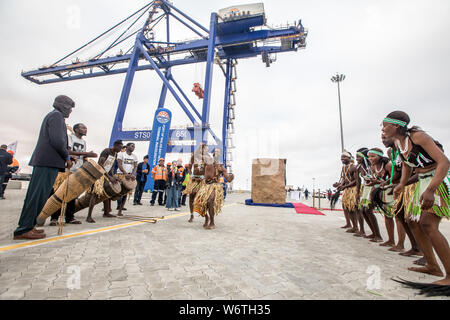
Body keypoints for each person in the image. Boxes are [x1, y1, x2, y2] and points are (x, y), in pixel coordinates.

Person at [382, 111, 450, 289]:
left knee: (428, 223)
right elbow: (406, 163)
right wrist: (402, 184)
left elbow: (444, 162)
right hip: (422, 180)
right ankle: (432, 266)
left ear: (396, 125)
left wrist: (431, 190)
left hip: (439, 179)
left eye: (384, 125)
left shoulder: (418, 136)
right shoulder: (398, 142)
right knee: (413, 222)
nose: (382, 129)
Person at [13, 95, 74, 240]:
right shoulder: (57, 116)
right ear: (64, 106)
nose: (71, 111)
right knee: (37, 196)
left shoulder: (54, 116)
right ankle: (23, 229)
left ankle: (29, 226)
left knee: (39, 196)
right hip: (47, 162)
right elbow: (58, 141)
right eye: (70, 108)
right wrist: (67, 157)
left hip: (47, 162)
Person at [49, 123, 98, 225]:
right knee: (59, 193)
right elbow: (68, 151)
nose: (85, 130)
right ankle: (54, 217)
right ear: (76, 129)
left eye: (86, 128)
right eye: (83, 127)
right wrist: (87, 153)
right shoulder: (70, 137)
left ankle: (70, 217)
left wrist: (85, 166)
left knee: (72, 195)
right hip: (67, 170)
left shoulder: (83, 142)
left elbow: (83, 157)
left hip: (77, 171)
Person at [193, 145, 234, 229]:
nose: (217, 153)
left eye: (218, 152)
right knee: (200, 204)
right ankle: (207, 218)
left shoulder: (220, 166)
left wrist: (231, 176)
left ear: (220, 155)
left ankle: (212, 222)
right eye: (215, 151)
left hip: (214, 186)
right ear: (213, 153)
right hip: (205, 186)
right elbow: (197, 155)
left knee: (210, 200)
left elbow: (228, 178)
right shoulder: (207, 162)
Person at [85, 140, 123, 223]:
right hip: (99, 174)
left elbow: (111, 167)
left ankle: (106, 212)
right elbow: (100, 164)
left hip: (106, 175)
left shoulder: (115, 154)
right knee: (95, 194)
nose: (120, 150)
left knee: (107, 194)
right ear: (115, 145)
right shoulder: (106, 151)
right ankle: (89, 216)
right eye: (119, 147)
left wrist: (113, 176)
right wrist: (109, 177)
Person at [355, 148, 383, 240]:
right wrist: (357, 193)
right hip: (365, 189)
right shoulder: (359, 167)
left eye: (359, 156)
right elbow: (358, 181)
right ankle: (374, 233)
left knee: (368, 210)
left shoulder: (371, 166)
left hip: (373, 188)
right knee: (363, 210)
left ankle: (378, 235)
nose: (357, 158)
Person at [184, 145, 206, 223]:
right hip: (194, 179)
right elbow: (189, 168)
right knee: (191, 196)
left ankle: (206, 215)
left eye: (204, 150)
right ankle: (191, 215)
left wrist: (204, 177)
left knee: (204, 198)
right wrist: (192, 175)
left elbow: (209, 169)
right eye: (201, 149)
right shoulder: (194, 157)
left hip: (202, 180)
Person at [116, 143, 138, 215]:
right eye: (132, 146)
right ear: (127, 147)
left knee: (125, 193)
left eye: (134, 146)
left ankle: (120, 210)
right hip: (121, 174)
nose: (133, 147)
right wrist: (125, 173)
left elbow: (135, 166)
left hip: (129, 176)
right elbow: (119, 164)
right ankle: (107, 209)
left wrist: (132, 174)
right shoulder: (121, 154)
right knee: (117, 192)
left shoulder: (134, 156)